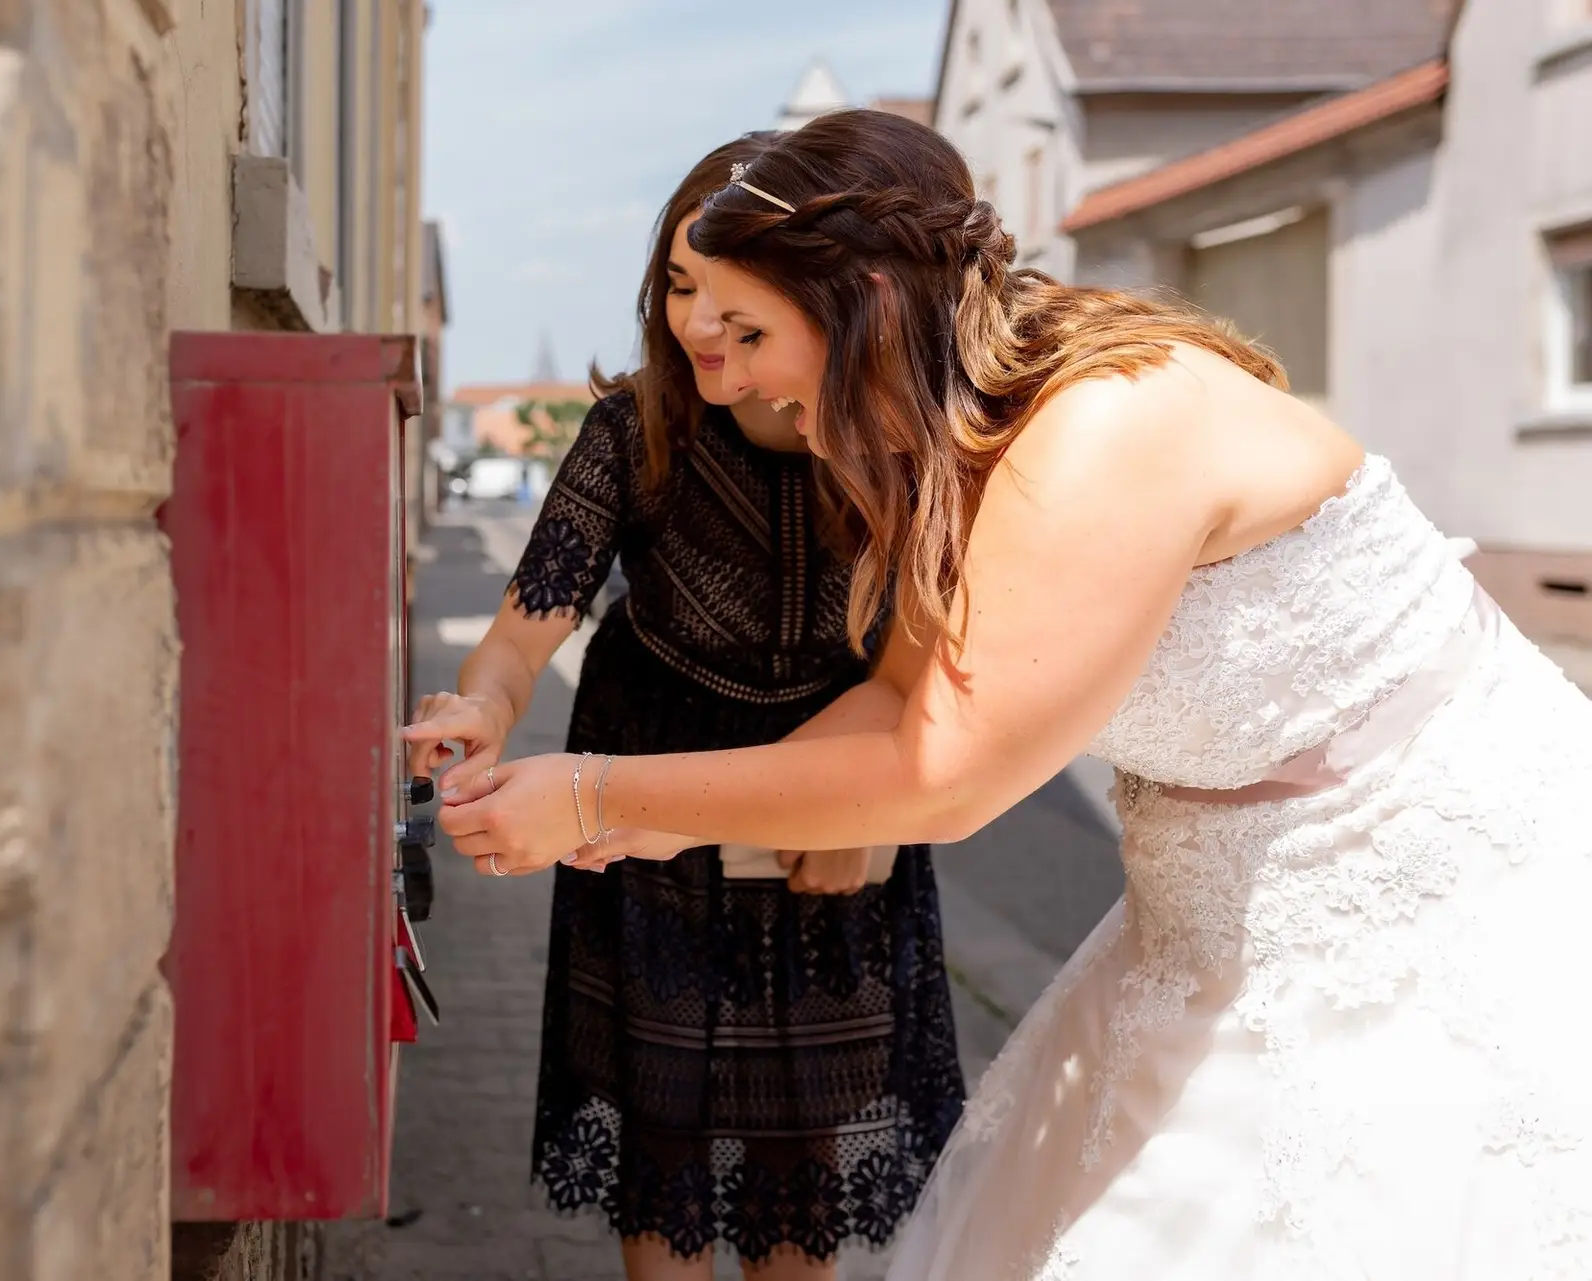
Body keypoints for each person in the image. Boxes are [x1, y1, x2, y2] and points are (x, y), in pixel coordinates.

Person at [438, 107, 1592, 1279]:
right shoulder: (939, 426)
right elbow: (897, 700)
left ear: (870, 306)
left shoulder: (1096, 428)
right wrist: (635, 818)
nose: (714, 355)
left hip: (1418, 887)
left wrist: (590, 797)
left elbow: (942, 775)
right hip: (1212, 899)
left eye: (747, 324)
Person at [401, 133, 965, 1280]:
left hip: (832, 800)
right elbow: (519, 636)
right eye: (676, 287)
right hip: (636, 817)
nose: (700, 325)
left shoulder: (901, 443)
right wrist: (482, 710)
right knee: (663, 1143)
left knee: (797, 1161)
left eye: (732, 303)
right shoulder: (633, 431)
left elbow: (927, 686)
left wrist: (869, 817)